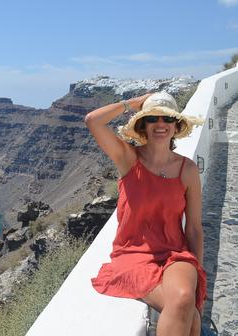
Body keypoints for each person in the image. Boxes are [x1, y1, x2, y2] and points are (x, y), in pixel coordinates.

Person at [85, 91, 206, 336]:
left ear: (176, 125)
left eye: (167, 119)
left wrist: (198, 276)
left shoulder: (187, 169)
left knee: (186, 298)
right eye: (152, 119)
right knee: (188, 314)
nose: (160, 125)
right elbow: (92, 120)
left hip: (175, 252)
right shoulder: (128, 159)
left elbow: (193, 228)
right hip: (133, 253)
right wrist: (131, 103)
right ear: (142, 125)